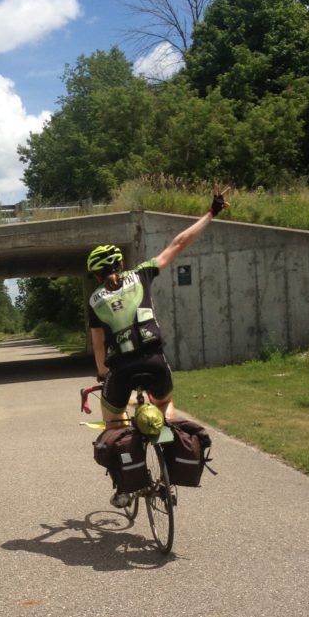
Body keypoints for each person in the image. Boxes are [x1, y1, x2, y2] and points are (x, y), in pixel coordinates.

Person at [86, 185, 229, 507]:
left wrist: (101, 373)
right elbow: (179, 243)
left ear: (96, 276)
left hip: (121, 370)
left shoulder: (95, 301)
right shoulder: (143, 275)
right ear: (121, 264)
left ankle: (128, 484)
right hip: (154, 362)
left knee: (114, 422)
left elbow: (98, 349)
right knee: (165, 409)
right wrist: (211, 212)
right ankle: (168, 464)